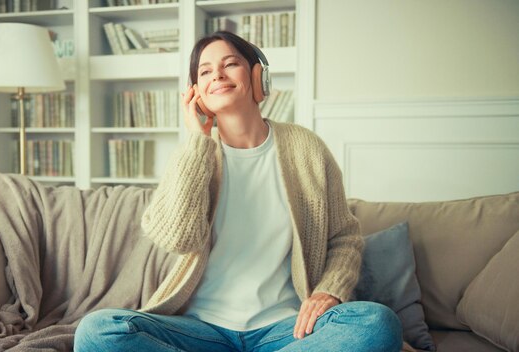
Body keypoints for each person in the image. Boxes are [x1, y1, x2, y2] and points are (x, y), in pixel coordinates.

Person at [74, 31, 402, 352]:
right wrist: (197, 142)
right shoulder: (192, 157)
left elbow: (344, 237)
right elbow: (178, 239)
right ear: (195, 92)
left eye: (230, 64)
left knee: (376, 323)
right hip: (201, 329)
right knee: (98, 331)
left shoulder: (307, 149)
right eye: (204, 71)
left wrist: (330, 291)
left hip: (288, 328)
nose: (217, 74)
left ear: (258, 77)